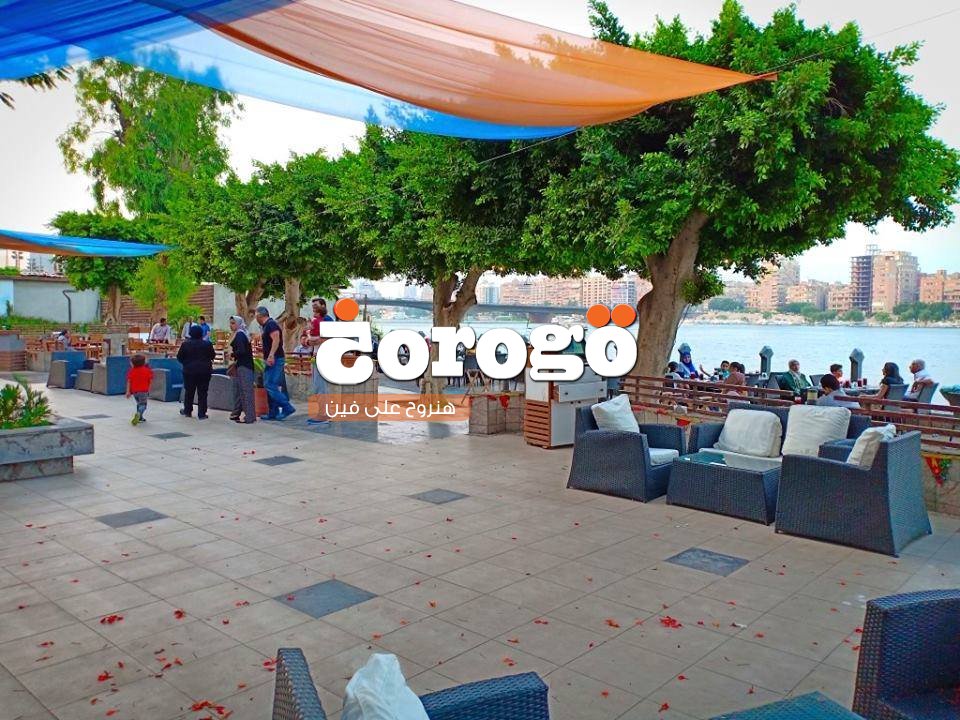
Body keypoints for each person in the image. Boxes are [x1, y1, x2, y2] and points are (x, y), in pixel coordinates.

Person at [256, 306, 296, 420]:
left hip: (275, 359)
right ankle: (272, 411)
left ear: (260, 315)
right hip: (271, 359)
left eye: (256, 316)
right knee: (269, 385)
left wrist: (271, 355)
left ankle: (287, 407)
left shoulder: (271, 324)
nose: (255, 319)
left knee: (270, 385)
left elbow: (276, 339)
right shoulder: (266, 326)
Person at [176, 325, 216, 419]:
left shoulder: (185, 344)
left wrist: (186, 363)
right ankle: (202, 413)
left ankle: (187, 411)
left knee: (189, 391)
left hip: (189, 371)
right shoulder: (207, 344)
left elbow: (179, 357)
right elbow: (212, 356)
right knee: (203, 392)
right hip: (204, 371)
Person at [305, 297, 334, 425]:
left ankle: (323, 414)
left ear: (323, 305)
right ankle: (324, 412)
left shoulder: (327, 320)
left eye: (316, 305)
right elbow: (309, 340)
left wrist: (312, 340)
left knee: (320, 386)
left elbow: (324, 339)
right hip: (316, 356)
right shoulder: (316, 320)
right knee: (318, 386)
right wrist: (311, 340)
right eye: (313, 306)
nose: (314, 308)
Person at [227, 315, 256, 424]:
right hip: (243, 366)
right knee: (242, 391)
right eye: (230, 323)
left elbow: (241, 351)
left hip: (244, 366)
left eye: (233, 323)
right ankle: (243, 414)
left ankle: (249, 417)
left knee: (246, 392)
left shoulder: (239, 335)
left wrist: (232, 355)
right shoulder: (241, 334)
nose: (231, 325)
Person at [125, 354, 153, 426]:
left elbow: (129, 381)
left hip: (135, 392)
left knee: (139, 403)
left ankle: (140, 417)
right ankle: (139, 413)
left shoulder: (131, 371)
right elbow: (150, 380)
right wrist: (149, 389)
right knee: (143, 405)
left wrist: (128, 391)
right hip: (143, 391)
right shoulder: (147, 370)